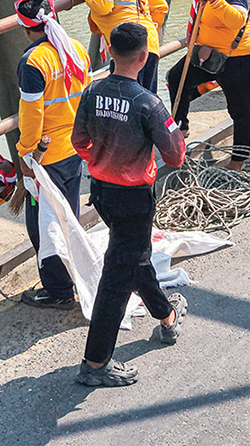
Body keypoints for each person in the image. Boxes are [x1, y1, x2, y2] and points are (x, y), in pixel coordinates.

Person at [72, 22, 187, 388]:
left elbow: (79, 140)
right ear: (143, 58)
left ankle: (167, 316)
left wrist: (101, 160)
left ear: (107, 52)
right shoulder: (149, 104)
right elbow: (176, 156)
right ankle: (95, 362)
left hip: (102, 192)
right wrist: (176, 136)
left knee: (132, 256)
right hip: (134, 198)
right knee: (116, 277)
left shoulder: (91, 92)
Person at [145, 0, 250, 169]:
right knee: (178, 77)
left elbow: (237, 19)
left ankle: (237, 161)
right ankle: (182, 126)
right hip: (210, 52)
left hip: (237, 58)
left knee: (240, 109)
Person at [14, 0, 91, 308]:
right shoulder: (77, 49)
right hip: (75, 149)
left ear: (26, 28)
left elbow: (32, 115)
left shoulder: (33, 62)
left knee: (42, 226)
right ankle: (69, 278)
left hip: (46, 157)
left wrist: (25, 154)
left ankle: (58, 291)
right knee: (67, 215)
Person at [78, 0, 169, 94]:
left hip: (127, 45)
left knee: (125, 99)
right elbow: (161, 6)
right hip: (149, 43)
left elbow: (103, 5)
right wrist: (150, 28)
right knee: (147, 98)